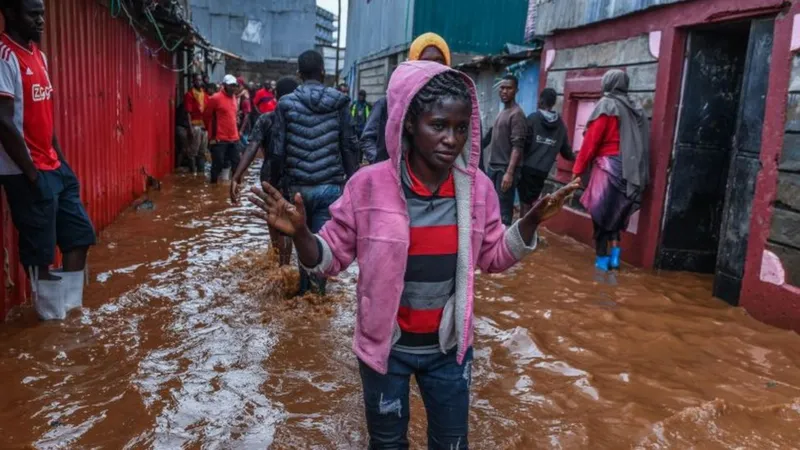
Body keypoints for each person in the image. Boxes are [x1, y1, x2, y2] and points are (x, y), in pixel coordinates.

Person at [250, 61, 579, 448]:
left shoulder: (477, 190)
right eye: (438, 125)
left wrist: (529, 223)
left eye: (460, 128)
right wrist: (304, 233)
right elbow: (330, 259)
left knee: (451, 443)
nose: (451, 139)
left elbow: (491, 257)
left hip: (449, 349)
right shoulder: (368, 187)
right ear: (408, 122)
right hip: (384, 350)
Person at [0, 0, 96, 320]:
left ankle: (70, 314)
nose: (41, 21)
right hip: (26, 172)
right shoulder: (4, 56)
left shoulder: (38, 55)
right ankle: (50, 324)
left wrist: (63, 164)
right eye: (33, 14)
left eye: (42, 14)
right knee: (40, 254)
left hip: (54, 166)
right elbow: (3, 121)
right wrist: (31, 173)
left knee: (79, 236)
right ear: (10, 13)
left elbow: (45, 116)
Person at [271, 49, 357, 295]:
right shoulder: (340, 101)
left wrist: (277, 186)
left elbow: (278, 150)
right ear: (324, 72)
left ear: (298, 74)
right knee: (322, 244)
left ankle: (303, 294)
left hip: (297, 188)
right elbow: (349, 144)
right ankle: (316, 298)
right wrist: (353, 183)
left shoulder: (285, 104)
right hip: (330, 187)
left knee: (301, 238)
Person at [572, 69, 650, 271]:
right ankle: (615, 257)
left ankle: (601, 264)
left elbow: (591, 142)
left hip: (608, 168)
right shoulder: (634, 108)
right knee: (617, 213)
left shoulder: (607, 105)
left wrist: (578, 169)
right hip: (629, 170)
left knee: (601, 214)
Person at [231, 77, 299, 265]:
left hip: (270, 176)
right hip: (295, 177)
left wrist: (237, 176)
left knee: (274, 218)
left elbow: (251, 148)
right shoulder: (303, 120)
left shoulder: (266, 119)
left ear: (276, 96)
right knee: (290, 221)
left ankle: (280, 263)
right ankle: (286, 266)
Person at [361, 32, 451, 164]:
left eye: (439, 62)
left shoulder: (459, 106)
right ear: (414, 64)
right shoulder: (390, 103)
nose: (433, 68)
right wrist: (383, 166)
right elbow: (368, 139)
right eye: (425, 61)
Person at [520, 88, 574, 217]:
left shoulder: (533, 118)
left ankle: (523, 232)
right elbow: (566, 152)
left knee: (524, 204)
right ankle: (529, 231)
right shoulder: (561, 125)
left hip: (527, 168)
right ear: (553, 103)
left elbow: (523, 144)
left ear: (541, 101)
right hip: (543, 171)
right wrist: (579, 157)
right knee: (532, 202)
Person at [484, 74, 527, 226]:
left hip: (505, 170)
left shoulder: (517, 114)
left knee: (504, 210)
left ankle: (503, 244)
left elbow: (518, 146)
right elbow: (488, 138)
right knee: (491, 206)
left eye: (509, 88)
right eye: (502, 88)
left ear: (516, 90)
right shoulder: (502, 112)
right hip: (493, 167)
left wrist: (509, 173)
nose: (504, 91)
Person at [204, 75, 241, 184]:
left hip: (234, 137)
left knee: (237, 163)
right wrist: (211, 134)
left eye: (235, 85)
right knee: (217, 163)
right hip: (219, 137)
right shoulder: (215, 98)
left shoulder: (234, 98)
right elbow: (206, 116)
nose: (234, 88)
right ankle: (214, 187)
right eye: (231, 85)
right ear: (224, 86)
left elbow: (233, 115)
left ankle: (235, 187)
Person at [181, 73, 210, 173]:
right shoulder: (189, 95)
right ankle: (193, 174)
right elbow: (188, 113)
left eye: (200, 80)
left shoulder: (205, 95)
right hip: (195, 126)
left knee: (202, 152)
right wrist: (190, 128)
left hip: (204, 127)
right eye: (197, 80)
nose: (199, 82)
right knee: (193, 151)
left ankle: (200, 174)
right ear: (193, 81)